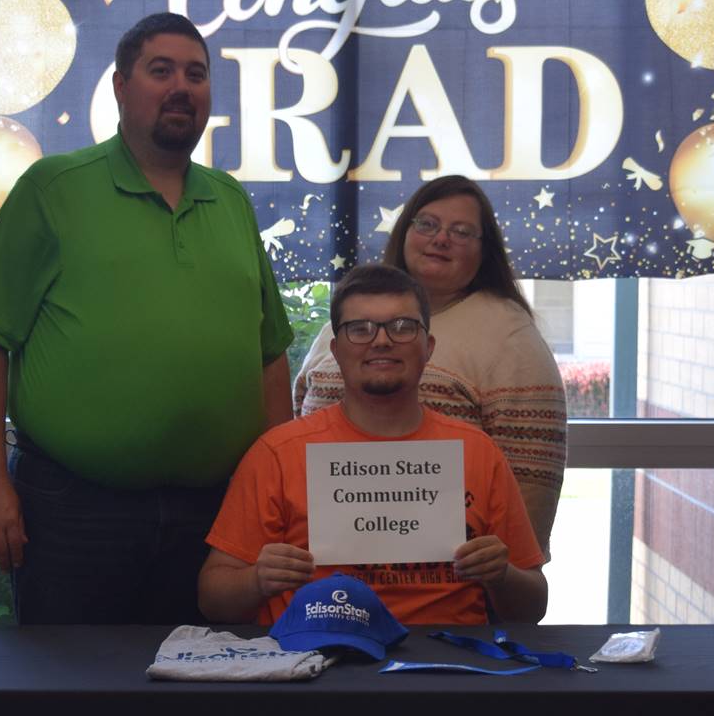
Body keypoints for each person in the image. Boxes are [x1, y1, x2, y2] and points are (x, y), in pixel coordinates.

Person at [0, 12, 294, 624]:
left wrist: (280, 496)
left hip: (215, 515)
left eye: (197, 73)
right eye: (160, 71)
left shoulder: (231, 201)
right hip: (74, 513)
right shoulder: (54, 188)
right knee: (73, 705)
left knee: (210, 693)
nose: (181, 87)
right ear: (120, 87)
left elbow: (269, 358)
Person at [200, 263, 547, 627]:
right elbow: (212, 599)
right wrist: (256, 581)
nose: (381, 340)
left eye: (402, 327)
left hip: (448, 664)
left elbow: (532, 608)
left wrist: (502, 575)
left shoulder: (477, 453)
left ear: (428, 347)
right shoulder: (278, 454)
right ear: (335, 350)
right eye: (360, 329)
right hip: (317, 658)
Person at [292, 176, 568, 552]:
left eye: (462, 231)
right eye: (426, 224)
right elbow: (298, 425)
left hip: (445, 578)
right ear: (404, 233)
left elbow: (530, 484)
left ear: (485, 251)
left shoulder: (510, 337)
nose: (441, 239)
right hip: (322, 556)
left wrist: (508, 575)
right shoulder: (343, 319)